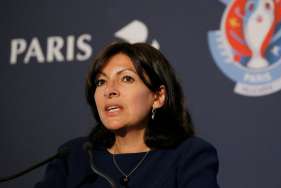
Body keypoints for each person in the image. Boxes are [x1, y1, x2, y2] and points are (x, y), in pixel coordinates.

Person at [35, 42, 220, 188]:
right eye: (100, 82)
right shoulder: (75, 156)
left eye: (126, 78)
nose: (109, 90)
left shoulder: (188, 155)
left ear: (158, 96)